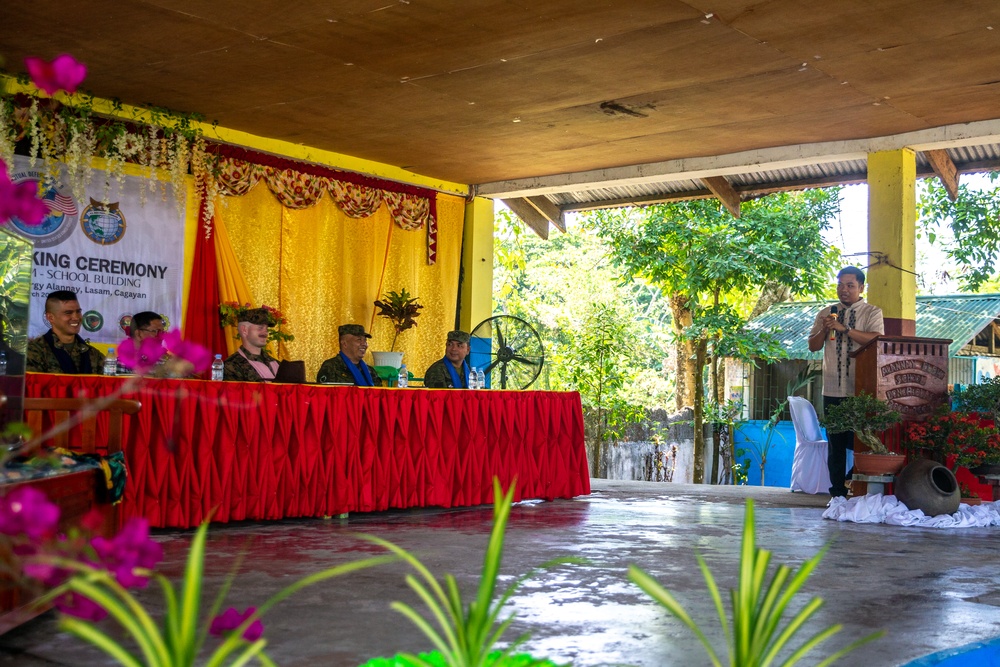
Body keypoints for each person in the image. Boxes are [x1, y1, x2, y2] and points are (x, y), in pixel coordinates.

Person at [807, 266, 884, 497]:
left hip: (860, 391)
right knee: (836, 444)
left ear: (861, 287)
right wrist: (824, 327)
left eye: (850, 285)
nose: (844, 290)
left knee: (864, 440)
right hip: (832, 389)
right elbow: (813, 346)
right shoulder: (826, 312)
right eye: (840, 285)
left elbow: (876, 339)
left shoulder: (872, 312)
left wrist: (845, 329)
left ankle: (852, 481)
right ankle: (837, 493)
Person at [26, 290, 105, 374]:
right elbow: (32, 385)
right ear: (50, 317)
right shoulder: (35, 351)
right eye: (68, 313)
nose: (76, 317)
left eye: (78, 312)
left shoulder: (93, 355)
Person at [223, 307, 280, 382]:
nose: (265, 333)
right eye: (260, 328)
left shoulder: (276, 363)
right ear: (244, 330)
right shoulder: (232, 365)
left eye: (266, 329)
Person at [316, 324, 382, 386]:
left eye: (365, 340)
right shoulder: (331, 367)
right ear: (344, 344)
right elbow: (324, 395)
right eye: (359, 340)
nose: (364, 344)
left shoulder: (370, 371)